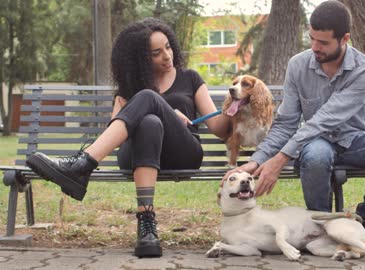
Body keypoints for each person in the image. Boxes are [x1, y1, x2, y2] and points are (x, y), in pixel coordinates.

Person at [26, 18, 231, 258]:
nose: (167, 55)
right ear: (141, 59)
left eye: (168, 46)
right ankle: (146, 226)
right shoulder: (129, 87)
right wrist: (155, 111)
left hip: (183, 153)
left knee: (149, 100)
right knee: (149, 120)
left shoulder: (191, 78)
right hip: (138, 155)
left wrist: (235, 106)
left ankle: (83, 165)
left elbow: (219, 128)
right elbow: (119, 139)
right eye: (156, 53)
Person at [223, 1, 365, 253]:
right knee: (317, 153)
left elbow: (327, 117)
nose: (315, 47)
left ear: (345, 39)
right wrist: (259, 159)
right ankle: (320, 227)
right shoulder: (298, 65)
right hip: (315, 142)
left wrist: (282, 157)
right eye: (312, 39)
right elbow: (286, 122)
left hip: (355, 142)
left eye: (324, 43)